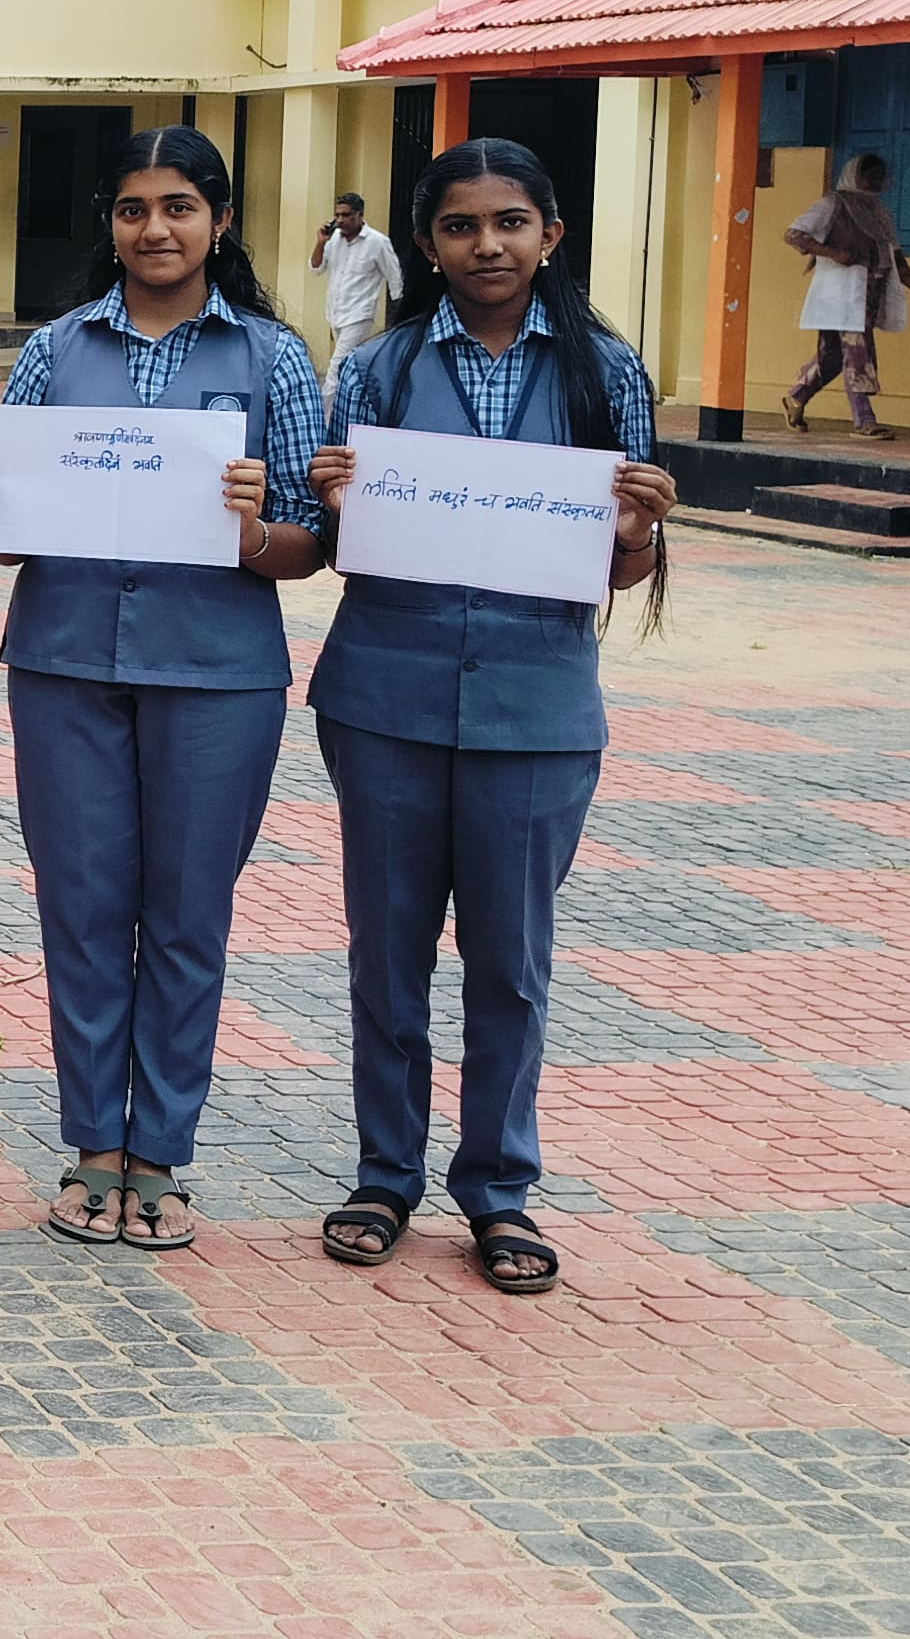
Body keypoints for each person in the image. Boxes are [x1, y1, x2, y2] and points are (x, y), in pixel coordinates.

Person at [309, 138, 675, 1297]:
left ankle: (498, 1188)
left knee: (510, 962)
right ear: (427, 244)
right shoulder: (377, 370)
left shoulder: (605, 374)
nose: (487, 245)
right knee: (386, 952)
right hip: (386, 697)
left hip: (536, 706)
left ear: (549, 235)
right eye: (460, 226)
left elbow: (616, 568)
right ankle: (383, 1175)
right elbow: (340, 550)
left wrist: (637, 532)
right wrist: (334, 504)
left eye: (510, 222)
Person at [0, 125, 325, 1250]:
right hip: (65, 661)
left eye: (178, 207)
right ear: (109, 223)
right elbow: (7, 543)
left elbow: (308, 544)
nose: (154, 228)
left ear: (220, 221)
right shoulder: (54, 349)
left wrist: (253, 525)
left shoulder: (273, 358)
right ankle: (92, 1150)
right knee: (79, 912)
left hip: (217, 673)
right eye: (132, 209)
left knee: (185, 915)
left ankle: (160, 1153)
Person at [783, 152, 910, 440]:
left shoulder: (878, 213)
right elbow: (793, 234)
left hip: (867, 296)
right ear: (854, 175)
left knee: (831, 358)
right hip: (840, 295)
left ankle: (796, 397)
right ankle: (864, 420)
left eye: (880, 176)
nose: (876, 181)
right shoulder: (833, 204)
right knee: (857, 353)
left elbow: (895, 257)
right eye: (870, 175)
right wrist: (833, 253)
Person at [310, 191, 398, 365]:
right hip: (335, 313)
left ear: (360, 215)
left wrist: (399, 315)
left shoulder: (378, 242)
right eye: (337, 215)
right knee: (352, 363)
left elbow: (395, 277)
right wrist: (320, 243)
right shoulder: (333, 240)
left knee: (336, 366)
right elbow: (315, 269)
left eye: (346, 215)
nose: (340, 220)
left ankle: (331, 386)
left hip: (360, 315)